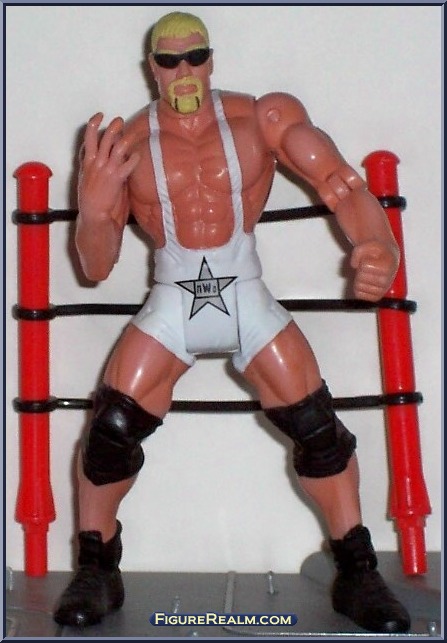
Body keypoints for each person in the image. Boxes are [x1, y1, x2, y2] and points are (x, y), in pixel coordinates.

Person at [53, 11, 411, 633]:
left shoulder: (262, 117)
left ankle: (358, 570)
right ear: (152, 68)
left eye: (195, 56)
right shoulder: (129, 143)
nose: (184, 71)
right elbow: (96, 265)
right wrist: (93, 205)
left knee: (318, 429)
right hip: (174, 292)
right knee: (111, 429)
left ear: (212, 59)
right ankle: (96, 565)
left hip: (243, 288)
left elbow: (340, 182)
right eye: (170, 61)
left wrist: (377, 245)